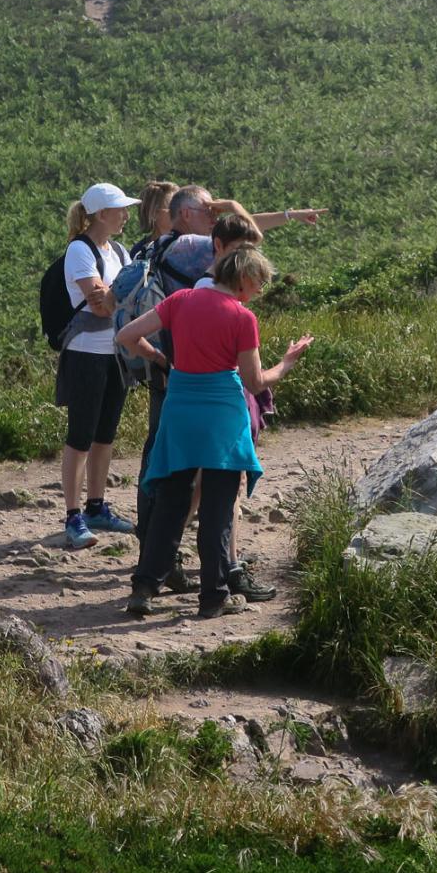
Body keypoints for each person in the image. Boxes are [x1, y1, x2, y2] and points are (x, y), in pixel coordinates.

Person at [118, 248, 312, 619]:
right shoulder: (242, 317)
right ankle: (212, 598)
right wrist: (286, 363)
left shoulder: (180, 300)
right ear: (242, 280)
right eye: (257, 284)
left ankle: (143, 588)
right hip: (223, 415)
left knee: (172, 504)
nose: (258, 291)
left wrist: (162, 361)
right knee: (218, 508)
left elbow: (127, 335)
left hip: (181, 411)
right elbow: (255, 383)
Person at [56, 182, 141, 549]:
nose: (125, 215)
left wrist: (112, 292)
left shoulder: (117, 251)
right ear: (101, 214)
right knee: (80, 436)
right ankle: (73, 515)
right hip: (86, 353)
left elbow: (109, 299)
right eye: (120, 209)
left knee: (104, 435)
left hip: (114, 354)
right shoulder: (79, 250)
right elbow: (101, 306)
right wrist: (120, 292)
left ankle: (95, 505)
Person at [129, 180, 180, 258]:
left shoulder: (189, 246)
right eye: (173, 208)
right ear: (154, 213)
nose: (180, 213)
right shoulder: (139, 253)